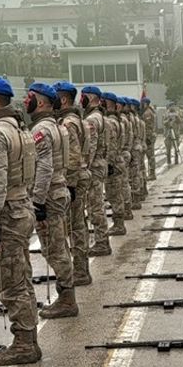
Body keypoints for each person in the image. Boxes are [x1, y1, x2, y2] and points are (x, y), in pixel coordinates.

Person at [0, 75, 42, 367]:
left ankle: (24, 343)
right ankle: (28, 338)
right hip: (22, 207)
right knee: (22, 277)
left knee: (11, 281)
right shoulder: (20, 130)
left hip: (7, 214)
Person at [26, 82, 79, 319]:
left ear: (40, 102)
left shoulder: (41, 131)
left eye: (30, 98)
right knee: (59, 246)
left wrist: (37, 203)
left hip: (49, 195)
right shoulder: (56, 126)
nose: (25, 102)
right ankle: (66, 295)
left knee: (55, 249)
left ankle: (67, 299)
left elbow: (44, 167)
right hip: (59, 189)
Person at [54, 81, 92, 286]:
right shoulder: (77, 119)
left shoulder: (68, 123)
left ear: (63, 99)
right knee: (78, 225)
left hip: (74, 179)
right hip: (81, 175)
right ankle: (81, 269)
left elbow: (74, 156)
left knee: (74, 227)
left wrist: (70, 184)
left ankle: (80, 271)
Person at [82, 86, 113, 257]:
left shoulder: (92, 119)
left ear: (90, 98)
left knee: (95, 206)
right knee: (97, 203)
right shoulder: (102, 117)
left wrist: (84, 167)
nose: (81, 100)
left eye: (83, 96)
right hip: (101, 162)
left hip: (94, 165)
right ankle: (102, 240)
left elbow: (90, 147)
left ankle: (102, 242)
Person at [101, 91, 129, 235]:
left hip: (113, 162)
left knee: (114, 195)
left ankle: (119, 224)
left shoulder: (110, 122)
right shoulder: (116, 120)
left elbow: (111, 144)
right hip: (118, 159)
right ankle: (120, 222)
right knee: (117, 193)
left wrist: (109, 163)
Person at [142, 96, 157, 180]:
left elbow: (148, 126)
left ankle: (152, 173)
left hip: (149, 136)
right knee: (150, 155)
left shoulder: (147, 113)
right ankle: (151, 173)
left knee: (150, 155)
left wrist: (147, 137)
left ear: (145, 104)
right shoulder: (149, 111)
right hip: (150, 135)